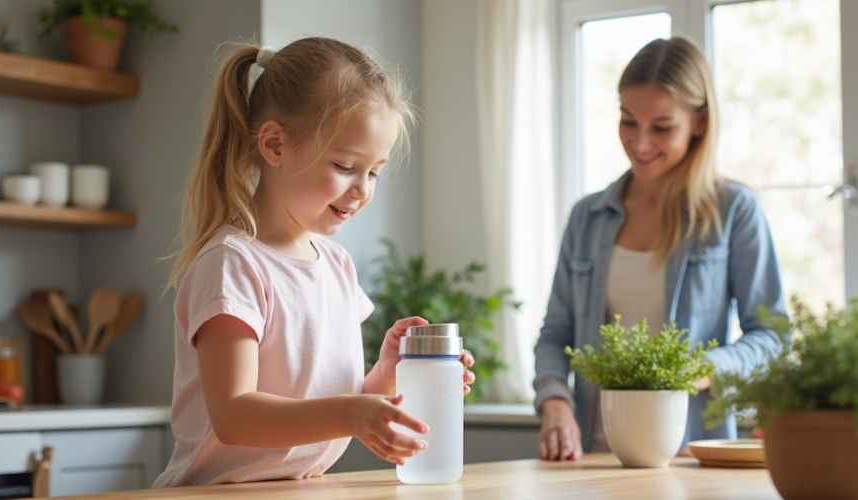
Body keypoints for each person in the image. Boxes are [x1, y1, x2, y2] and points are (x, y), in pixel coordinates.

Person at [154, 37, 475, 487]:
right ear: (275, 145)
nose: (363, 189)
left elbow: (331, 402)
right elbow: (234, 415)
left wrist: (385, 376)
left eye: (375, 171)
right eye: (345, 165)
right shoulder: (233, 263)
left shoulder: (337, 266)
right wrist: (351, 412)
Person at [533, 36, 788, 461]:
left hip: (692, 456)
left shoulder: (732, 210)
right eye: (628, 121)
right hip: (593, 460)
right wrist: (555, 403)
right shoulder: (587, 217)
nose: (641, 142)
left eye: (662, 127)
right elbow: (555, 335)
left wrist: (702, 369)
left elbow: (772, 336)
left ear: (700, 122)